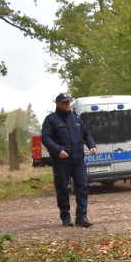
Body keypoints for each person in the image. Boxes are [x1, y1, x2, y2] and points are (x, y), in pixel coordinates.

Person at [41, 93, 98, 227]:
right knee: (62, 188)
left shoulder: (76, 118)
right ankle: (65, 216)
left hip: (78, 160)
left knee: (83, 187)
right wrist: (58, 150)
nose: (67, 104)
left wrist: (92, 146)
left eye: (68, 102)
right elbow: (46, 138)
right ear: (58, 104)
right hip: (61, 161)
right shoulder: (51, 120)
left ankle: (81, 217)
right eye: (64, 102)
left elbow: (86, 133)